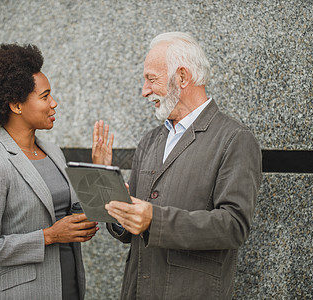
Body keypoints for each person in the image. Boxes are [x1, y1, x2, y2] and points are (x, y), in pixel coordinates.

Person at [96, 32, 262, 299]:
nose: (144, 91)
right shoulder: (150, 140)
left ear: (182, 77)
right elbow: (130, 231)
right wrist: (107, 185)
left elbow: (234, 226)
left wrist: (154, 219)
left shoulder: (235, 140)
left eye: (151, 79)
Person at [0, 43, 99, 300]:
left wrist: (97, 172)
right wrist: (48, 237)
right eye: (45, 96)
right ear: (16, 105)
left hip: (68, 286)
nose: (54, 103)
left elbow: (72, 214)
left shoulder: (52, 151)